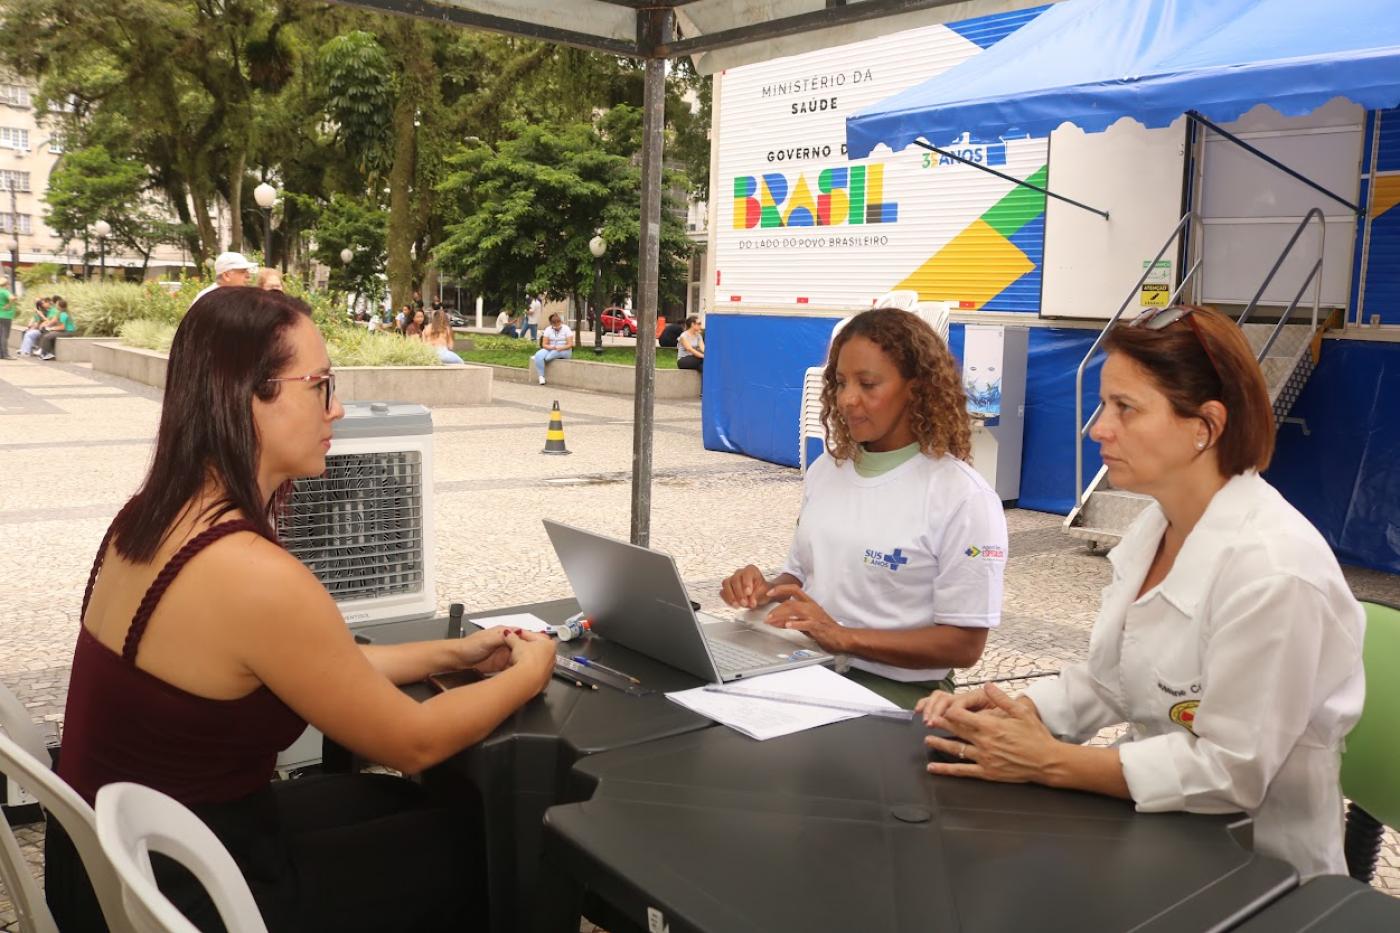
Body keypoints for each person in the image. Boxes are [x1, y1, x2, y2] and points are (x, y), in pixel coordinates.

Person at [45, 286, 557, 931]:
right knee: (479, 847)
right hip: (186, 891)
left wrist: (455, 652)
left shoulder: (149, 517)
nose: (336, 409)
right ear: (249, 395)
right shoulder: (252, 575)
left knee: (393, 802)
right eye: (321, 385)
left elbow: (321, 669)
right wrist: (527, 675)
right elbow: (415, 741)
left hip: (107, 860)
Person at [918, 304, 1365, 882]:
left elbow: (1232, 773)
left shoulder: (1274, 572)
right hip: (1162, 831)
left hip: (1258, 866)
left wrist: (1050, 762)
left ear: (1205, 426)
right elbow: (1111, 679)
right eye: (1105, 404)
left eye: (1124, 408)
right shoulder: (1156, 528)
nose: (1098, 428)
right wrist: (1011, 715)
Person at [720, 308, 1006, 708]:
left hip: (897, 692)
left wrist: (843, 637)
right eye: (840, 383)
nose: (848, 399)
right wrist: (763, 589)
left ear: (916, 389)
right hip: (804, 665)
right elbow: (801, 576)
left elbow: (964, 644)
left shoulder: (963, 497)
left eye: (868, 384)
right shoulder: (826, 470)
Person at [193, 251, 257, 304]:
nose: (248, 276)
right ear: (226, 275)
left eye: (247, 271)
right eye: (243, 272)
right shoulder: (207, 299)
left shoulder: (238, 296)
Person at [531, 313, 574, 386]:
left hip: (564, 349)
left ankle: (540, 358)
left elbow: (570, 344)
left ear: (561, 322)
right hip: (552, 348)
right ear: (552, 324)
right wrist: (552, 347)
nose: (557, 327)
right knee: (539, 355)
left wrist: (561, 347)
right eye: (555, 325)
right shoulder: (548, 329)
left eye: (558, 324)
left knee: (548, 357)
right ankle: (541, 376)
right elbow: (544, 344)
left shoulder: (566, 329)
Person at [0, 281, 16, 359]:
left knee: (0, 335)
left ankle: (1, 354)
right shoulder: (5, 291)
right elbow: (12, 298)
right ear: (6, 284)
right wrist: (8, 305)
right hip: (5, 316)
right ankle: (6, 354)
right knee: (4, 336)